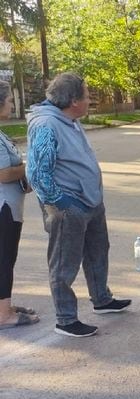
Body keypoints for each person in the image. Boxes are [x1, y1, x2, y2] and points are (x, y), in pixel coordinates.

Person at [26, 72, 131, 338]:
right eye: (86, 97)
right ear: (73, 101)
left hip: (90, 202)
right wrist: (64, 204)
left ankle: (102, 299)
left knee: (98, 251)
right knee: (64, 263)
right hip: (69, 206)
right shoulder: (47, 124)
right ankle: (66, 319)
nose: (89, 101)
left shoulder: (68, 118)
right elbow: (37, 174)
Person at [0, 80, 39, 330]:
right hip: (3, 208)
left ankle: (4, 306)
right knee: (4, 259)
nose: (12, 105)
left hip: (10, 206)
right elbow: (3, 174)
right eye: (10, 100)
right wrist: (31, 166)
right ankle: (4, 315)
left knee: (6, 258)